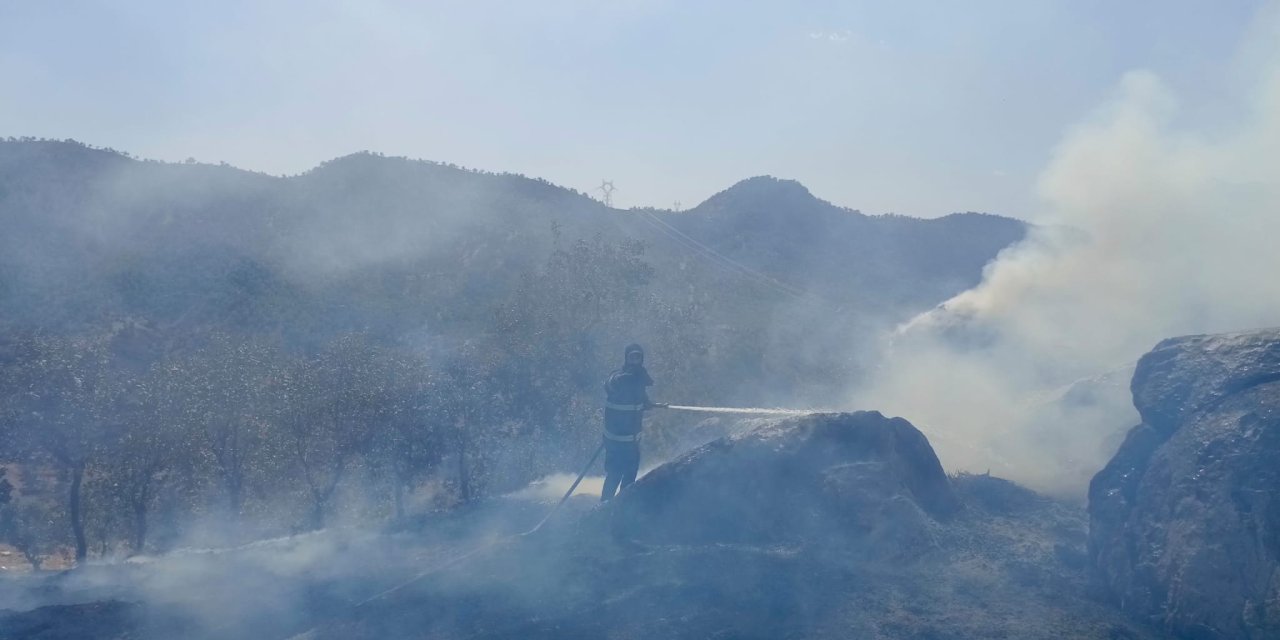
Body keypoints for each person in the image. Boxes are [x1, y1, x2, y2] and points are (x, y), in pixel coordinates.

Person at [601, 343, 663, 501]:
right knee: (615, 473)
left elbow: (640, 399)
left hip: (632, 441)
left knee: (630, 475)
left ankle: (622, 506)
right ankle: (603, 507)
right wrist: (621, 379)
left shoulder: (640, 379)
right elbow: (609, 385)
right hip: (615, 441)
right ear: (626, 358)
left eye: (638, 357)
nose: (635, 360)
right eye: (632, 356)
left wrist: (649, 404)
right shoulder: (618, 376)